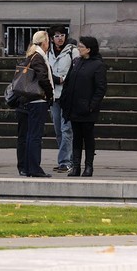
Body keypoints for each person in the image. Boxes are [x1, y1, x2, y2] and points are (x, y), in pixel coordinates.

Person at [60, 35, 108, 177]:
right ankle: (76, 166)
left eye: (81, 47)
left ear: (89, 49)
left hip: (87, 109)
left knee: (88, 138)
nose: (79, 49)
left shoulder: (98, 65)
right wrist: (65, 100)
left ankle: (88, 166)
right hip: (74, 107)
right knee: (76, 138)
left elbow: (100, 88)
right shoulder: (76, 62)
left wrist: (92, 105)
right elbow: (68, 82)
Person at [15, 29, 53, 178]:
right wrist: (50, 94)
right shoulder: (38, 58)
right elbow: (43, 78)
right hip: (37, 100)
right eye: (48, 41)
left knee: (29, 135)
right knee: (35, 136)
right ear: (44, 42)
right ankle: (34, 168)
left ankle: (27, 167)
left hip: (28, 100)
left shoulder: (31, 56)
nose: (49, 44)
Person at [47, 26, 76, 173]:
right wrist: (55, 79)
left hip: (67, 95)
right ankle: (66, 158)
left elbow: (76, 70)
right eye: (57, 36)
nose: (60, 38)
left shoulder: (72, 51)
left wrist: (65, 79)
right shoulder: (48, 52)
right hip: (54, 96)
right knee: (58, 130)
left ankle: (66, 161)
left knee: (67, 130)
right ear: (52, 38)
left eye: (62, 35)